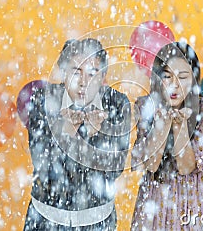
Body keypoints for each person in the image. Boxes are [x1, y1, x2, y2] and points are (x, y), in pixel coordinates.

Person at [24, 38, 131, 230]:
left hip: (97, 223)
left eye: (92, 73)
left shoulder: (117, 104)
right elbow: (44, 167)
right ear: (63, 71)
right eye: (76, 72)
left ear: (104, 76)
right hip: (45, 221)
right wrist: (67, 132)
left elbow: (114, 169)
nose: (84, 83)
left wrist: (93, 135)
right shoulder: (42, 100)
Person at [130, 42, 203, 230]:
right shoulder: (146, 107)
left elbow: (187, 166)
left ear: (194, 80)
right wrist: (162, 125)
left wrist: (179, 125)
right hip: (155, 205)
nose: (174, 85)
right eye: (167, 77)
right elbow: (151, 163)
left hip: (193, 204)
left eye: (183, 77)